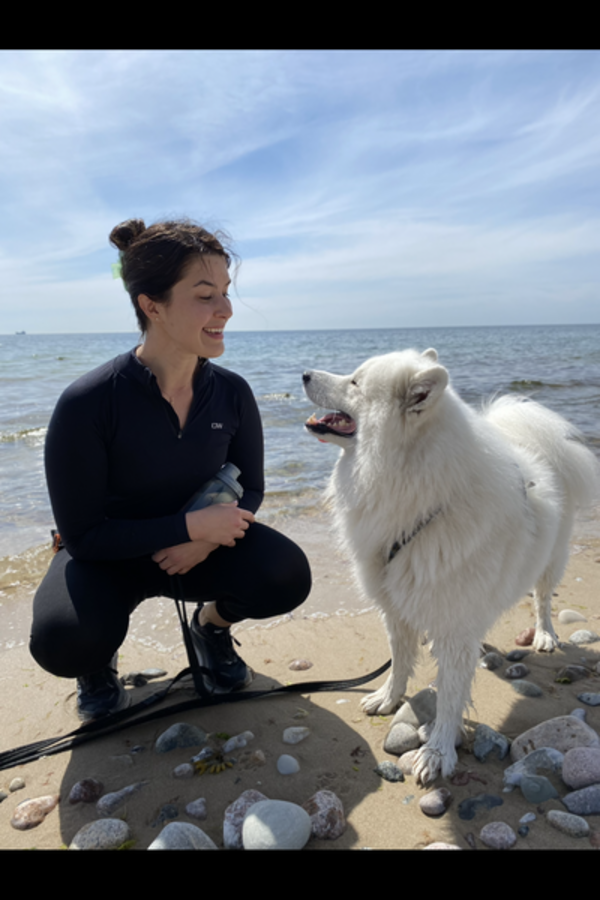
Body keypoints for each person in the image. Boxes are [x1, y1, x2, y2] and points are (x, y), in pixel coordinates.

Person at [30, 218, 311, 721]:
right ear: (152, 306)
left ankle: (210, 628)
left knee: (286, 575)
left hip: (196, 551)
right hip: (106, 559)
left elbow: (252, 488)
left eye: (226, 292)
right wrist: (189, 526)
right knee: (63, 641)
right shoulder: (87, 402)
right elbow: (84, 535)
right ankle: (96, 664)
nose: (225, 309)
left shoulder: (232, 392)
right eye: (205, 295)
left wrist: (205, 538)